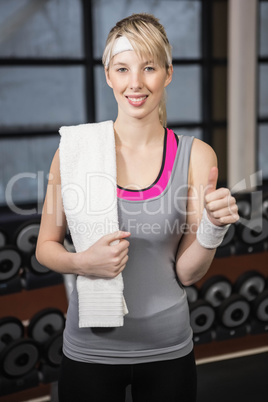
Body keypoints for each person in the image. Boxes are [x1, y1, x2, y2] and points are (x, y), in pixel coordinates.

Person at [36, 13, 239, 402]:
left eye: (149, 67)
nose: (136, 83)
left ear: (167, 73)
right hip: (89, 349)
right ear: (108, 75)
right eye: (123, 68)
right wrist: (83, 263)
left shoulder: (195, 156)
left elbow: (187, 272)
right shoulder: (75, 152)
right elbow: (46, 247)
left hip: (168, 348)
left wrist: (212, 228)